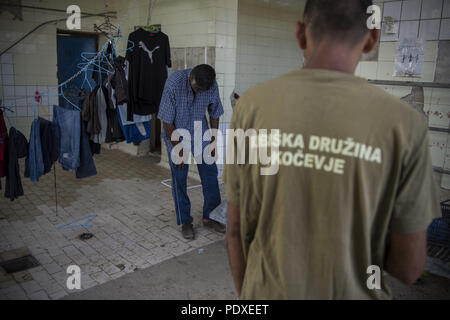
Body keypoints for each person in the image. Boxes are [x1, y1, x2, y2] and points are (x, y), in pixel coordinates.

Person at [224, 0, 441, 300]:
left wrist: (247, 296)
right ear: (372, 38)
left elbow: (235, 229)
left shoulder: (250, 106)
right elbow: (408, 267)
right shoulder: (405, 124)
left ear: (300, 34)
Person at [158, 64, 226, 240]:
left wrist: (213, 140)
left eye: (202, 90)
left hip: (199, 130)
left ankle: (211, 216)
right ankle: (185, 221)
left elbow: (215, 112)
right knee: (180, 177)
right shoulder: (174, 83)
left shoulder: (211, 85)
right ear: (191, 78)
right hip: (175, 132)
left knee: (210, 174)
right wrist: (178, 149)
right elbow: (166, 121)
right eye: (196, 89)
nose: (199, 92)